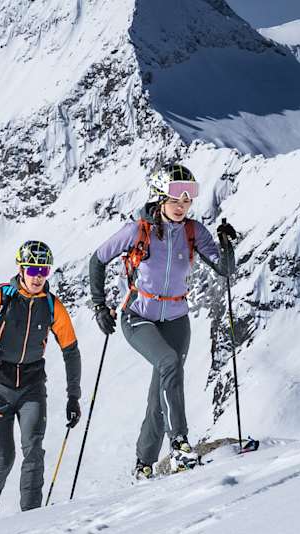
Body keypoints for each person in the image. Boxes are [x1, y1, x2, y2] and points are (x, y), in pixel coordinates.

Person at [88, 164, 237, 480]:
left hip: (176, 320)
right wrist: (100, 306)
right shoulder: (136, 231)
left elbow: (224, 269)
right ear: (159, 198)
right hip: (138, 316)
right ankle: (180, 444)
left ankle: (144, 464)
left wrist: (226, 245)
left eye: (189, 197)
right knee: (169, 363)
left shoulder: (194, 232)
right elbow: (98, 259)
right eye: (175, 197)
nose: (183, 204)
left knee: (161, 393)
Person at [0, 241, 82, 520]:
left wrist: (73, 395)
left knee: (34, 451)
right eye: (33, 269)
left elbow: (71, 350)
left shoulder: (51, 306)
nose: (38, 276)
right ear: (21, 268)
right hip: (0, 387)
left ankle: (31, 519)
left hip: (32, 387)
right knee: (3, 459)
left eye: (44, 270)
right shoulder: (0, 298)